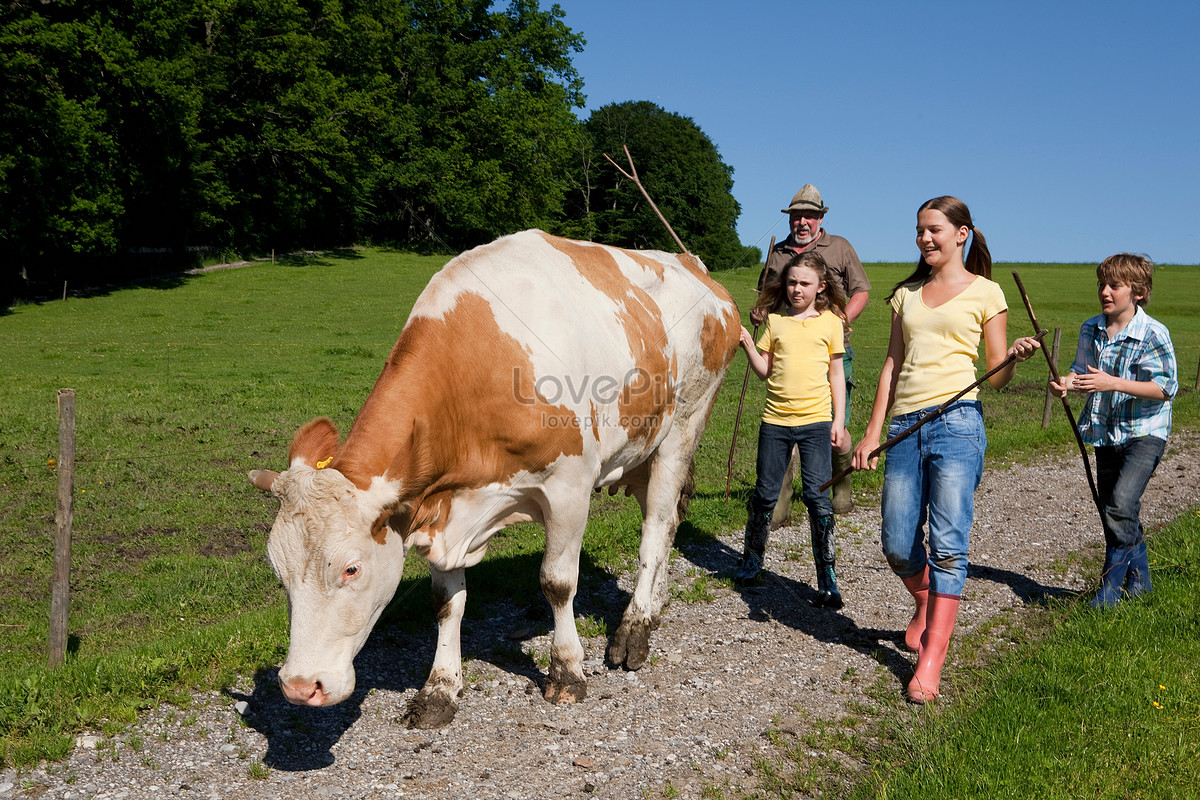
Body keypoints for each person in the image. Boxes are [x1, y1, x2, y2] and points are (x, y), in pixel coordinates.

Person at [852, 196, 1041, 703]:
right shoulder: (906, 295)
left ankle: (931, 660)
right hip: (906, 426)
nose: (924, 238)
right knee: (895, 541)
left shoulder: (988, 292)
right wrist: (872, 434)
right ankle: (928, 599)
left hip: (958, 424)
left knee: (950, 544)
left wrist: (1014, 357)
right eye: (919, 230)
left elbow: (996, 377)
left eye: (934, 229)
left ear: (962, 234)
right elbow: (892, 366)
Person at [1050, 253, 1177, 609]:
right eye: (1101, 285)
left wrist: (1113, 383)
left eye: (1114, 286)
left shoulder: (1153, 333)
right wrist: (1065, 384)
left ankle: (1108, 589)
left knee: (1121, 505)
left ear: (1137, 292)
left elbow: (1166, 388)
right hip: (1106, 431)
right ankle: (1141, 582)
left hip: (1145, 431)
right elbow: (1080, 373)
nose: (1105, 292)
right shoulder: (1091, 328)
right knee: (1113, 508)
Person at [735, 250, 849, 608]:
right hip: (775, 422)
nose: (797, 289)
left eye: (805, 283)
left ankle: (827, 575)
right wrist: (747, 344)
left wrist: (839, 421)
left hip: (815, 423)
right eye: (792, 282)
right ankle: (752, 561)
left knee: (817, 497)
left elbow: (836, 375)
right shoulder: (777, 323)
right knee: (766, 494)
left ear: (821, 287)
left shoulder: (830, 322)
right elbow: (765, 371)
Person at [754, 185, 870, 521]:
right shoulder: (778, 253)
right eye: (796, 216)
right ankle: (781, 500)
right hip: (786, 351)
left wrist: (841, 320)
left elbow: (861, 290)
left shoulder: (840, 248)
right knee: (786, 424)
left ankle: (841, 484)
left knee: (835, 427)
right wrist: (759, 313)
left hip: (832, 352)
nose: (802, 221)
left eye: (809, 215)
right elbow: (767, 296)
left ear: (820, 217)